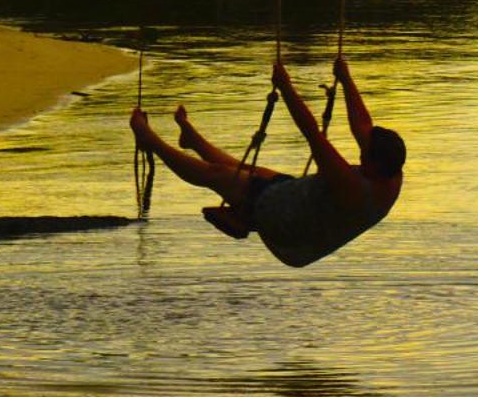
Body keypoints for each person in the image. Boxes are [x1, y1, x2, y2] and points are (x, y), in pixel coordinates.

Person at [129, 53, 405, 270]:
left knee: (218, 175)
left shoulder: (353, 187)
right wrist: (345, 78)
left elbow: (312, 133)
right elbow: (363, 124)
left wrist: (285, 87)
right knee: (248, 171)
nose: (359, 154)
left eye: (363, 156)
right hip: (304, 206)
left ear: (376, 166)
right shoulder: (390, 171)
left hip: (286, 230)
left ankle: (148, 138)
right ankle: (193, 142)